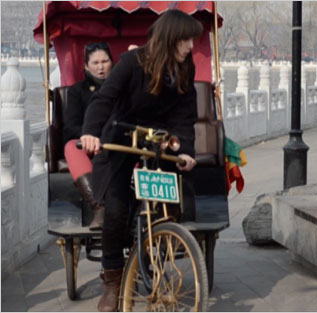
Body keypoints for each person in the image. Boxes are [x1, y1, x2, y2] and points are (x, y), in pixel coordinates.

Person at [80, 10, 202, 312]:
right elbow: (104, 99)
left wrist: (185, 150)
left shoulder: (185, 67)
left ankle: (156, 257)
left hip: (158, 142)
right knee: (117, 209)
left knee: (167, 206)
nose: (190, 45)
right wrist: (91, 133)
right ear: (171, 37)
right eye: (186, 39)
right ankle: (112, 282)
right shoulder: (131, 63)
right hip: (121, 136)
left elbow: (185, 115)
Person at [63, 42, 113, 230]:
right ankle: (99, 206)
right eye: (95, 62)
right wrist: (89, 137)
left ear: (112, 62)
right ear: (86, 66)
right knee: (70, 147)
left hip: (115, 142)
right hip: (87, 143)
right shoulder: (77, 91)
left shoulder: (122, 87)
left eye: (105, 61)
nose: (100, 67)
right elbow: (70, 126)